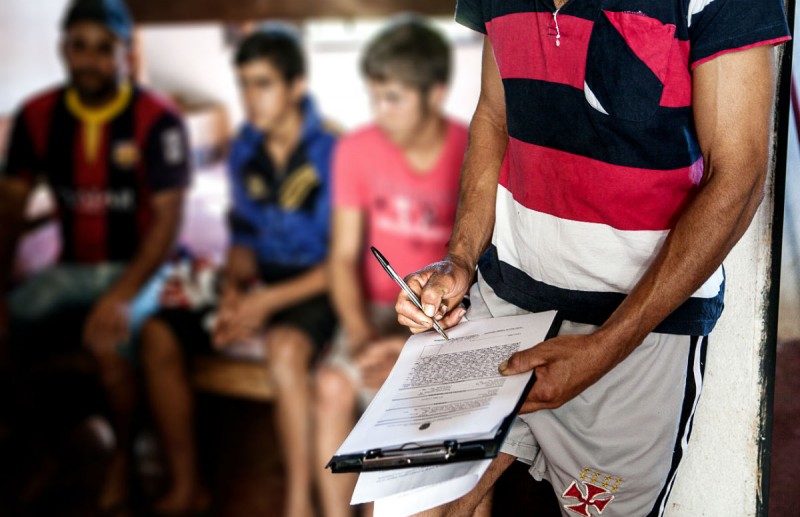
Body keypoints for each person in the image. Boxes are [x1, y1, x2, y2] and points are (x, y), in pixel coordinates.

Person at [394, 0, 791, 516]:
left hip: (638, 332)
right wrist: (460, 260)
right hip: (503, 299)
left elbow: (738, 175)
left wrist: (607, 346)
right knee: (417, 503)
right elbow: (494, 115)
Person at [138, 25, 338, 517]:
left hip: (314, 282)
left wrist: (263, 303)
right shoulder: (244, 149)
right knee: (158, 334)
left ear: (296, 86)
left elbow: (342, 261)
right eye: (244, 84)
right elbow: (243, 240)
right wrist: (232, 292)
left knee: (285, 347)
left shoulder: (333, 153)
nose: (250, 98)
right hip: (256, 279)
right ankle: (188, 486)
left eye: (263, 84)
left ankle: (297, 502)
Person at [0, 0, 190, 512]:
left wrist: (121, 294)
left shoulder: (159, 119)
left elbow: (168, 223)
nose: (90, 60)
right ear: (63, 50)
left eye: (104, 48)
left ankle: (122, 458)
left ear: (127, 54)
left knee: (108, 340)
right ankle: (42, 449)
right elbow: (10, 210)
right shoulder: (36, 117)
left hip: (144, 267)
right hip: (72, 269)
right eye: (79, 46)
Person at [314, 16, 469, 517]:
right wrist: (361, 336)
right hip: (373, 312)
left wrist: (404, 349)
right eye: (375, 96)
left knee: (397, 397)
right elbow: (342, 258)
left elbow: (477, 265)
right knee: (332, 385)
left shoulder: (470, 151)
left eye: (394, 98)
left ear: (435, 93)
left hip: (439, 317)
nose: (381, 112)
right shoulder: (355, 150)